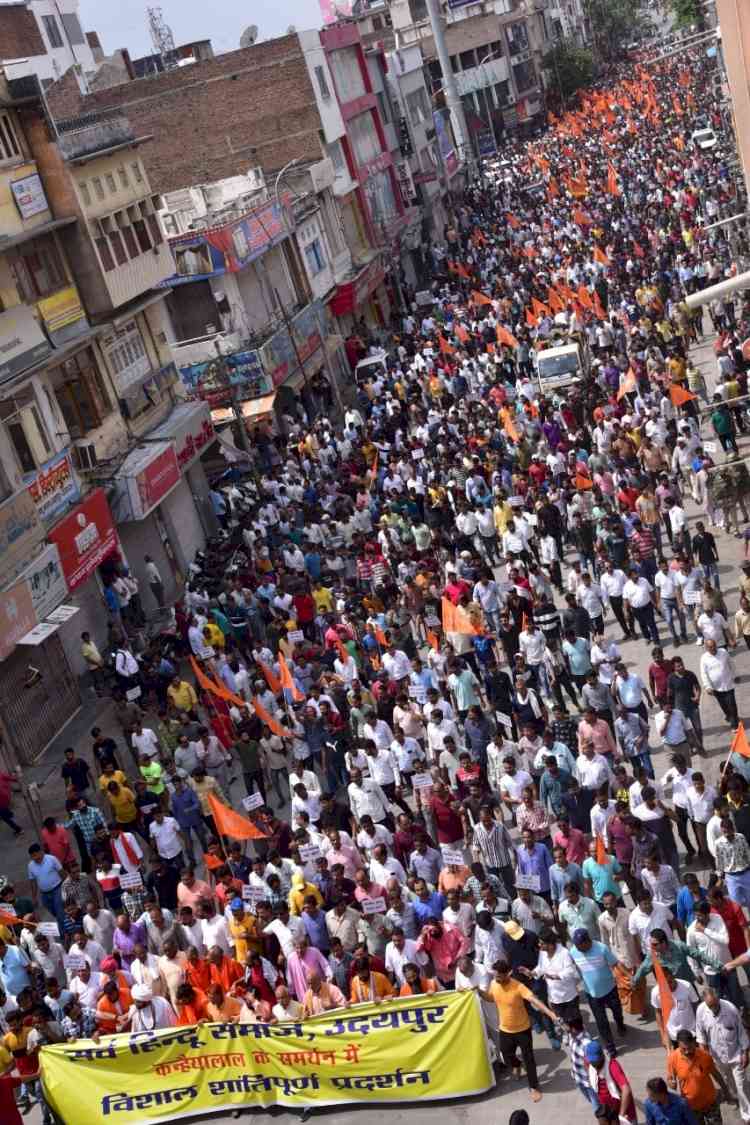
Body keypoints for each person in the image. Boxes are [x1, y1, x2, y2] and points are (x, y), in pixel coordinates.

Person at [667, 1029, 733, 1125]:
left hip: (710, 1103)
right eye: (683, 1049)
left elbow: (716, 1075)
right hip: (690, 1107)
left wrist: (726, 1092)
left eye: (689, 1048)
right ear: (678, 1045)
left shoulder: (704, 1056)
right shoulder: (673, 1058)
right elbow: (670, 1080)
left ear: (694, 1042)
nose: (687, 1052)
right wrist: (671, 1084)